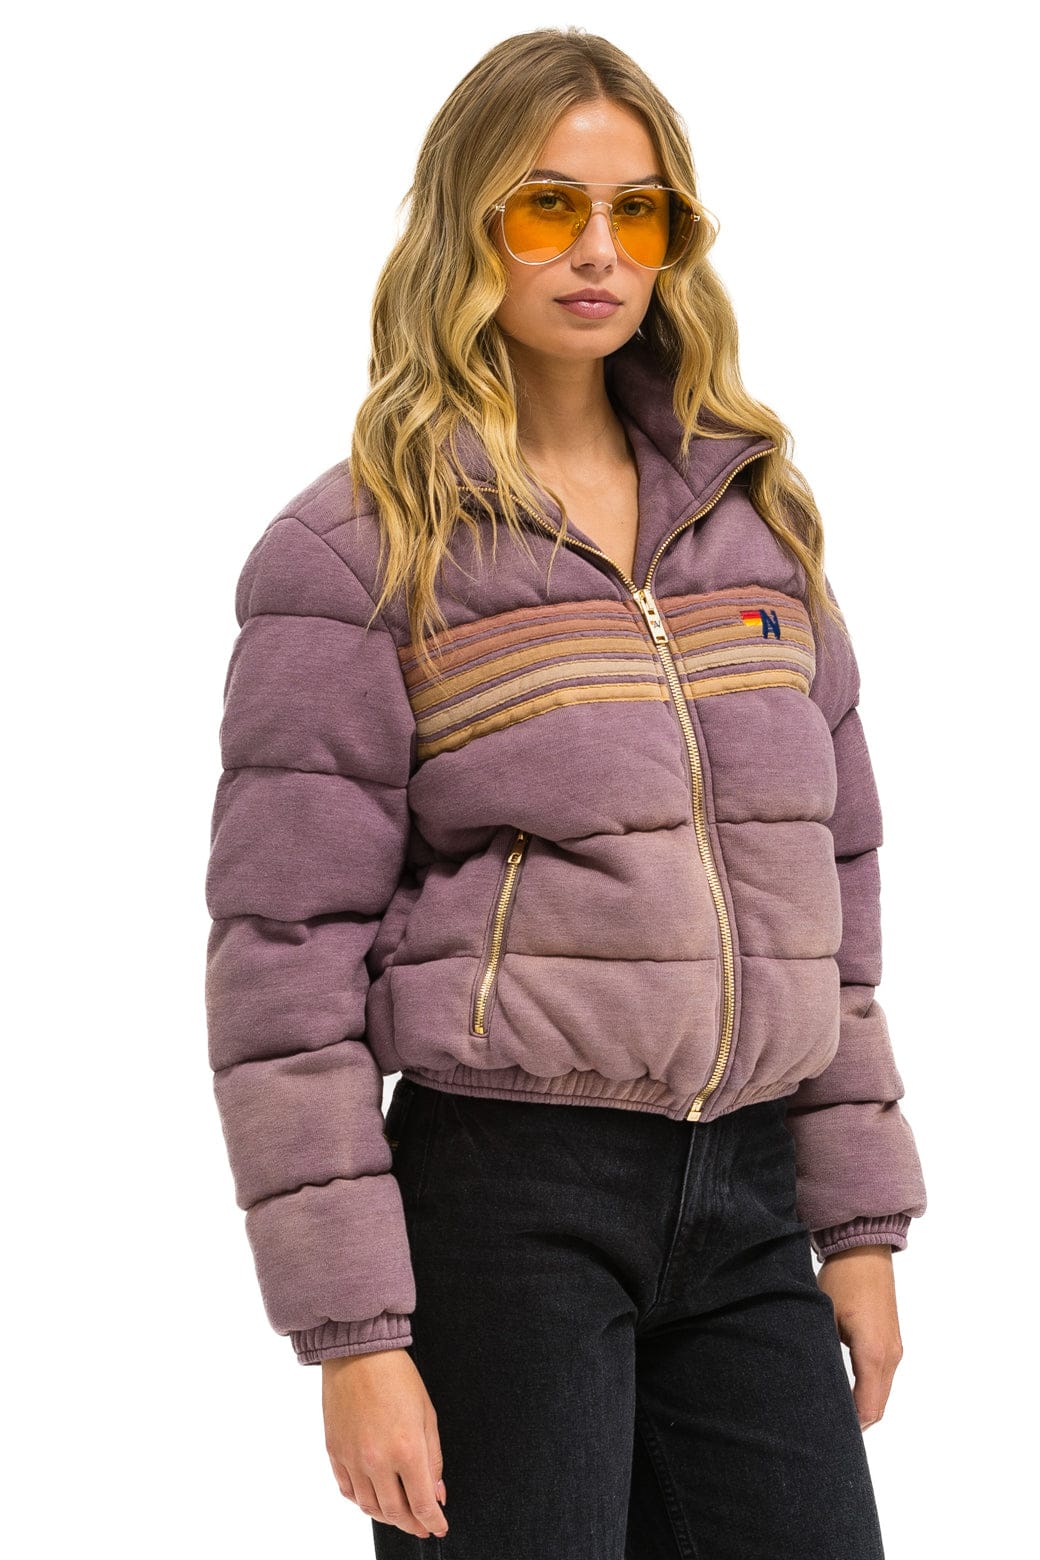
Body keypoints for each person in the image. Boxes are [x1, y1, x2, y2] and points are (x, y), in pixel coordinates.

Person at [204, 26, 927, 1560]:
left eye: (637, 212)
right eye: (549, 205)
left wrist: (859, 1222)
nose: (599, 250)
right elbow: (284, 966)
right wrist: (353, 1334)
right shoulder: (356, 556)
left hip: (748, 1197)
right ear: (468, 221)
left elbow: (834, 896)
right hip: (505, 1207)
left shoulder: (757, 530)